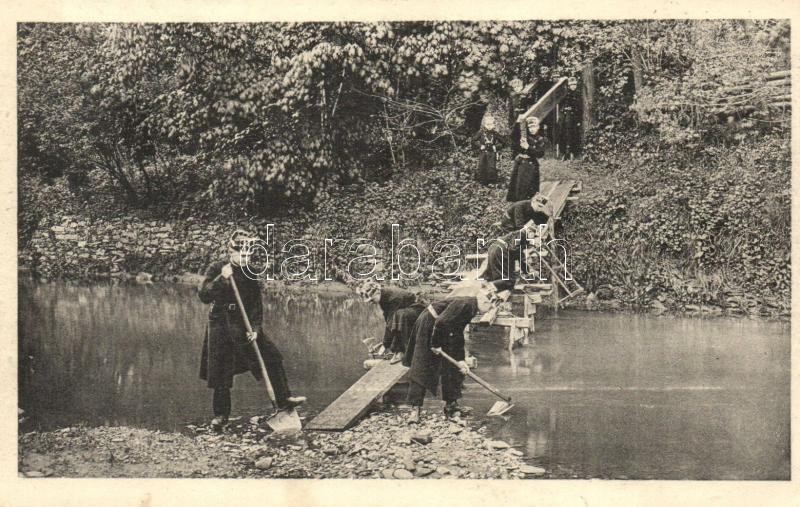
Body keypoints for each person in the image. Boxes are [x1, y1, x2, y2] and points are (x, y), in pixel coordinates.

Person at [198, 230, 305, 432]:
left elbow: (256, 303)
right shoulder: (217, 268)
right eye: (243, 254)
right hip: (221, 324)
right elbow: (204, 295)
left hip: (244, 324)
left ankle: (284, 400)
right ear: (232, 252)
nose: (246, 258)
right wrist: (222, 278)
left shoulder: (250, 271)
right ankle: (221, 416)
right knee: (221, 372)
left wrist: (256, 328)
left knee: (272, 356)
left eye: (249, 255)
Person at [403, 287, 496, 422]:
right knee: (422, 366)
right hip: (428, 325)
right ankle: (415, 409)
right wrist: (435, 344)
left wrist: (460, 359)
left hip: (441, 328)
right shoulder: (466, 304)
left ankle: (451, 405)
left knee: (453, 366)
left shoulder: (471, 308)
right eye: (490, 307)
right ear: (484, 302)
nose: (488, 311)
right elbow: (441, 321)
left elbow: (457, 333)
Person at [357, 280, 426, 364]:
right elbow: (388, 319)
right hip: (408, 311)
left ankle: (404, 351)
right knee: (397, 318)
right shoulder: (383, 297)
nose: (371, 303)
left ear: (377, 293)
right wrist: (386, 343)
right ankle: (399, 350)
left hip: (420, 311)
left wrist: (386, 344)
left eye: (372, 300)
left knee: (400, 316)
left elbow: (392, 322)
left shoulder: (393, 298)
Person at [506, 116, 547, 203]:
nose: (532, 129)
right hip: (520, 163)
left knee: (529, 187)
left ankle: (528, 204)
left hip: (531, 165)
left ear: (538, 127)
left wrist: (528, 147)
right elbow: (513, 136)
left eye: (534, 126)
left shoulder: (540, 139)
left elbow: (540, 153)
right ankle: (518, 204)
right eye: (530, 127)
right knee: (517, 185)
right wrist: (518, 122)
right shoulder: (524, 137)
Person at [471, 114, 505, 185]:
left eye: (491, 124)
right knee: (482, 166)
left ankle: (491, 181)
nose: (489, 126)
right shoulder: (481, 132)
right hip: (483, 152)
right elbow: (473, 140)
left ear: (494, 125)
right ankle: (482, 181)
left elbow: (503, 142)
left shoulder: (495, 133)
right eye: (487, 124)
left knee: (491, 167)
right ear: (484, 125)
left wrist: (496, 147)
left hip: (492, 153)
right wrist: (480, 146)